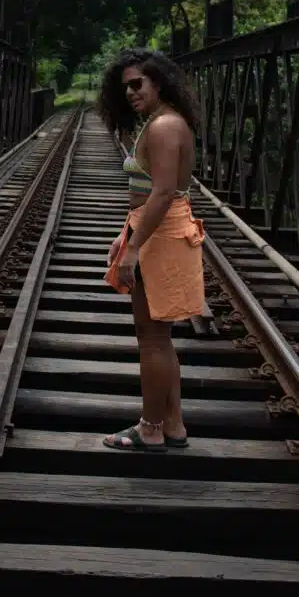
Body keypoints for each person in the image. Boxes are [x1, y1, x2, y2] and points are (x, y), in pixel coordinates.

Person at [97, 48, 205, 452]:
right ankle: (172, 424)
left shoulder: (163, 127)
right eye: (124, 86)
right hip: (160, 229)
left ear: (158, 81)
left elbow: (161, 194)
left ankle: (150, 428)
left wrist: (133, 249)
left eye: (137, 84)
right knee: (160, 336)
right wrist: (125, 233)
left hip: (160, 236)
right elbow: (151, 194)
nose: (130, 92)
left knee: (152, 338)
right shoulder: (165, 121)